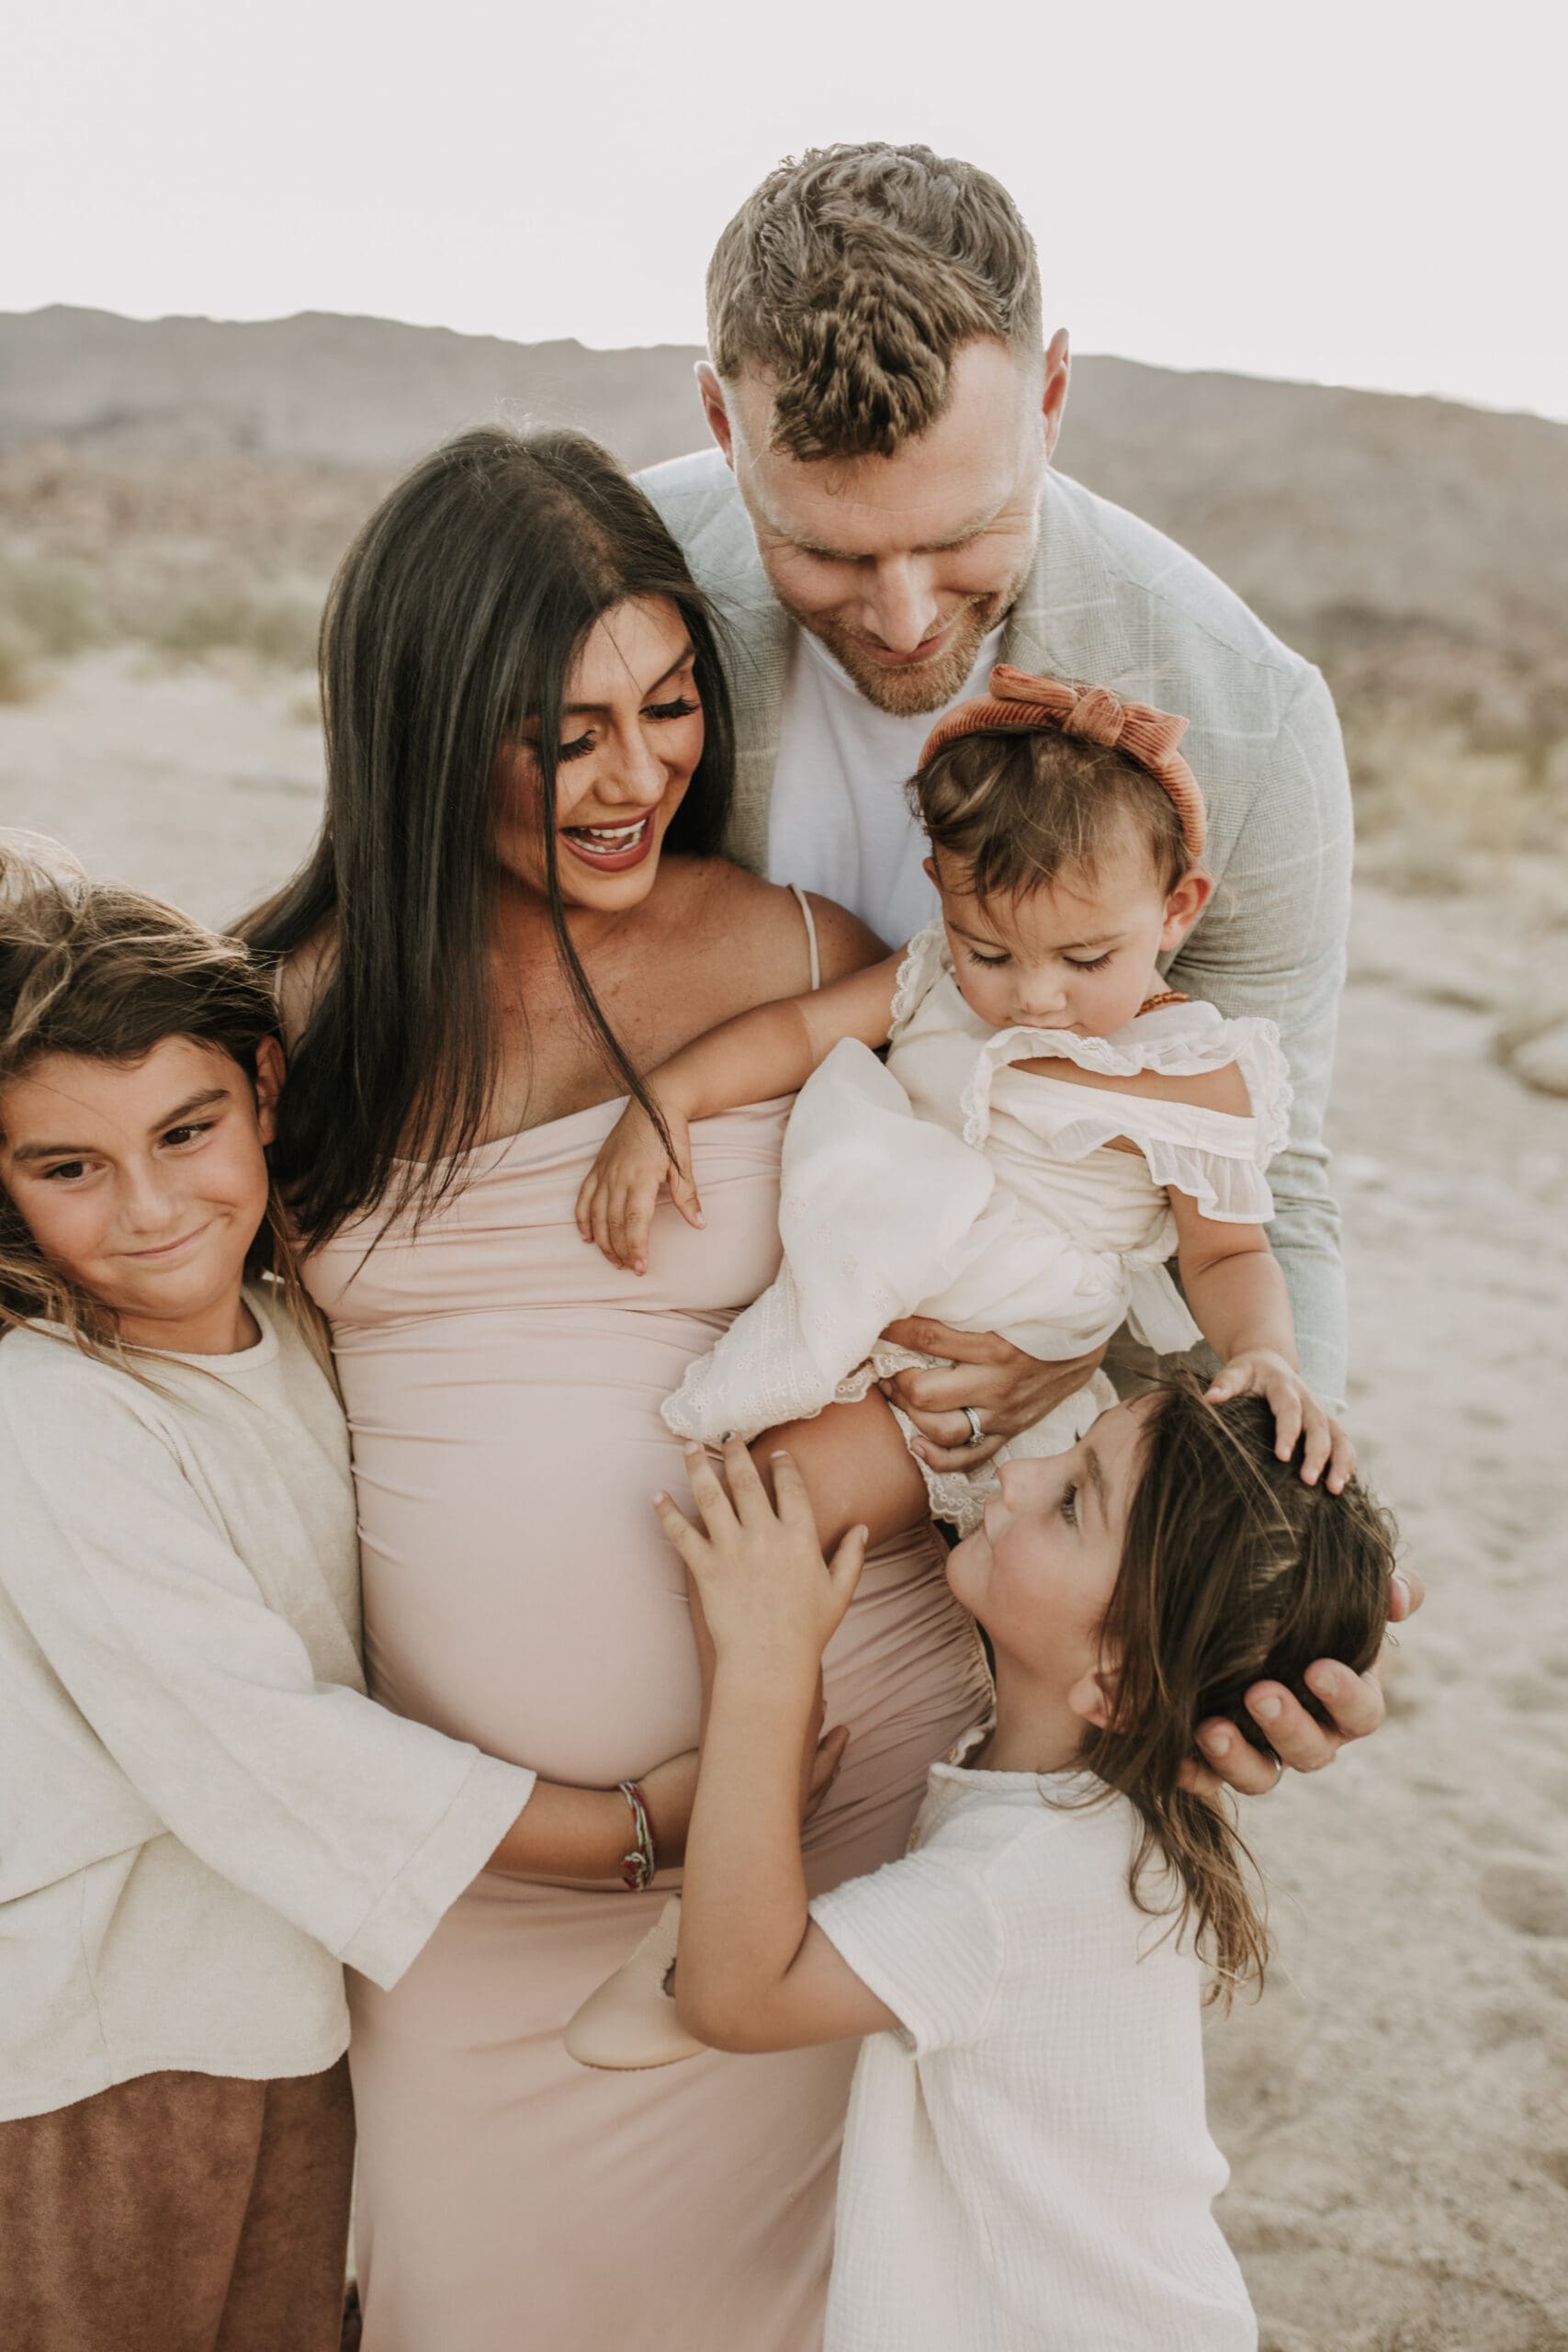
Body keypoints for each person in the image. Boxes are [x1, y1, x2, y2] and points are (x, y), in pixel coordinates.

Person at [243, 424, 994, 2352]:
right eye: (562, 728)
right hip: (478, 1874)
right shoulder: (283, 1018)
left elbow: (1003, 1319)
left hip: (826, 1794)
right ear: (418, 720)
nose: (634, 768)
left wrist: (899, 1459)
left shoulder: (807, 955)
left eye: (666, 705)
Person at [0, 845, 748, 2352]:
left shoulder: (293, 1324)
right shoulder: (44, 1412)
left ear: (265, 1092)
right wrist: (635, 1829)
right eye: (66, 1167)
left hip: (283, 2010)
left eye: (185, 1131)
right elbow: (270, 1742)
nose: (148, 1207)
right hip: (91, 2052)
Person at [639, 142, 1356, 1647]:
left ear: (1050, 396)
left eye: (960, 535)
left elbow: (1265, 1196)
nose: (901, 614)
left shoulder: (1243, 718)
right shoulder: (610, 594)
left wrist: (1268, 1575)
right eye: (825, 549)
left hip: (1008, 1455)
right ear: (720, 418)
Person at [654, 1391, 1398, 2349]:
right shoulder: (1107, 1807)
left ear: (1120, 1682)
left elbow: (735, 1997)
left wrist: (766, 1661)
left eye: (1074, 1501)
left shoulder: (1009, 1879)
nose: (1018, 1475)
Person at [577, 664, 1352, 1552]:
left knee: (769, 1519)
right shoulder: (934, 978)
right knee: (746, 1506)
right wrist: (667, 1097)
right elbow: (796, 1030)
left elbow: (1228, 1253)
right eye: (988, 950)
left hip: (971, 1370)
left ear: (1176, 910)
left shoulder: (1191, 1074)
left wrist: (1264, 1353)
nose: (1034, 997)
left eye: (1086, 960)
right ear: (939, 893)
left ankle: (765, 1696)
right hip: (859, 1297)